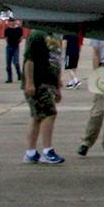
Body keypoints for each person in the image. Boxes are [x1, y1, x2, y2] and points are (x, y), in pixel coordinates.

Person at [21, 31, 66, 164]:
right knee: (50, 113)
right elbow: (29, 60)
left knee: (37, 116)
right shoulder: (37, 35)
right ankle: (47, 150)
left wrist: (57, 86)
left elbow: (57, 61)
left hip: (49, 80)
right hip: (38, 81)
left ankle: (30, 152)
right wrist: (29, 82)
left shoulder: (58, 35)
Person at [3, 17, 25, 83]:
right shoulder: (7, 30)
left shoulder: (19, 29)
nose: (11, 22)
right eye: (10, 21)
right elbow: (6, 38)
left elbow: (21, 37)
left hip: (15, 47)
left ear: (15, 22)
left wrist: (17, 43)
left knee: (16, 62)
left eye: (12, 21)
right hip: (9, 47)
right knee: (8, 64)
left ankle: (19, 74)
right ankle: (9, 78)